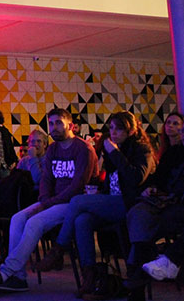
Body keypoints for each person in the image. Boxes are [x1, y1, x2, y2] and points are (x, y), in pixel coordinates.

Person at [36, 111, 155, 299]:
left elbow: (135, 178)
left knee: (77, 201)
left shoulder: (142, 150)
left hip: (131, 204)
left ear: (131, 131)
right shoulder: (113, 149)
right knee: (82, 220)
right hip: (112, 202)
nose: (113, 132)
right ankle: (89, 278)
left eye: (119, 129)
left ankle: (59, 248)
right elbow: (109, 181)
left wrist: (114, 153)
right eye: (111, 128)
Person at [0, 108, 98, 293]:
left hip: (74, 203)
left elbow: (78, 185)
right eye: (51, 123)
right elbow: (46, 179)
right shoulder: (53, 149)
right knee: (17, 218)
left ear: (70, 126)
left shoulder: (84, 149)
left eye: (58, 123)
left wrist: (49, 203)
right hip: (53, 201)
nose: (54, 127)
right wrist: (44, 200)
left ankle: (6, 273)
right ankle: (19, 278)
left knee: (34, 222)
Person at [123, 121, 184, 301]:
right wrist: (152, 188)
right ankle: (138, 274)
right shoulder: (174, 152)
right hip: (167, 200)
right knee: (139, 214)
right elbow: (159, 178)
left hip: (179, 206)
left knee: (154, 223)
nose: (183, 135)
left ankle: (144, 274)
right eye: (183, 131)